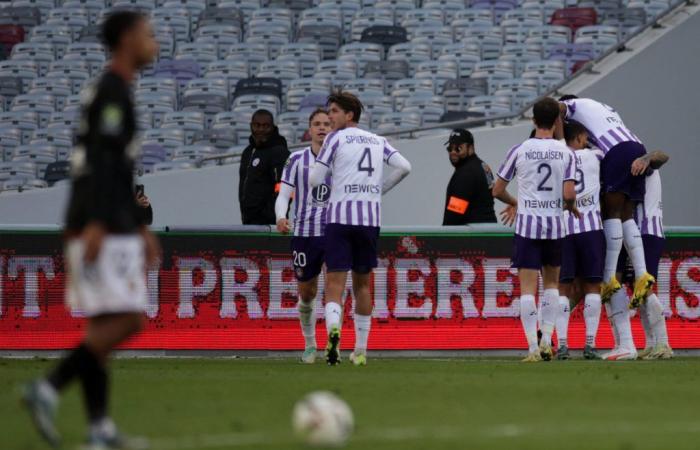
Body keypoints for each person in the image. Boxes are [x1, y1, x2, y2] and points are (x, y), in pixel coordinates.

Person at [22, 11, 160, 449]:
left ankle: (98, 429)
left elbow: (113, 166)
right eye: (147, 34)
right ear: (126, 39)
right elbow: (103, 162)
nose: (153, 41)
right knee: (130, 319)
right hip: (100, 222)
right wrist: (102, 222)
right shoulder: (113, 90)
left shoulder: (110, 90)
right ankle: (47, 388)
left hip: (105, 218)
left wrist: (139, 226)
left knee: (102, 324)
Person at [309, 91, 411, 366]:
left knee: (334, 283)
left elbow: (315, 178)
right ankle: (361, 350)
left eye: (333, 111)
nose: (329, 117)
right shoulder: (378, 140)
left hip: (340, 217)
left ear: (348, 114)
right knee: (363, 285)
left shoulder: (335, 139)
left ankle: (334, 332)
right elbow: (405, 167)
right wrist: (378, 192)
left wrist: (332, 181)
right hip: (369, 220)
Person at [492, 97, 577, 362]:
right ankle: (546, 341)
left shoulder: (520, 149)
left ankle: (531, 349)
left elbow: (497, 190)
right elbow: (569, 193)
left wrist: (516, 202)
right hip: (554, 226)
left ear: (533, 120)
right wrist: (568, 205)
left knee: (527, 289)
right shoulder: (566, 153)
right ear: (556, 122)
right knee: (552, 285)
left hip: (527, 225)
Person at [558, 96, 655, 308]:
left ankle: (609, 277)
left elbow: (556, 108)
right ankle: (642, 274)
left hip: (616, 151)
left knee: (612, 213)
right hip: (638, 147)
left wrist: (553, 133)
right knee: (626, 215)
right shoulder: (604, 108)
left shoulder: (574, 106)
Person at [275, 109, 332, 364]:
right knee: (307, 293)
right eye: (317, 124)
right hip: (304, 235)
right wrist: (280, 216)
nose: (322, 128)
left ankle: (334, 343)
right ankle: (310, 345)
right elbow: (284, 194)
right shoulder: (296, 159)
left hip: (335, 233)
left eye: (327, 124)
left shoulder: (342, 159)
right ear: (309, 129)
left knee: (335, 291)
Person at [605, 150, 672, 361]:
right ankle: (651, 343)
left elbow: (662, 155)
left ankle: (663, 343)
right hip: (634, 233)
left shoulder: (642, 163)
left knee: (645, 287)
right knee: (635, 287)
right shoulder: (632, 167)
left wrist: (646, 158)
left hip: (646, 232)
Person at [554, 122, 604, 361]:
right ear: (582, 137)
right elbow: (602, 144)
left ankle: (562, 345)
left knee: (563, 288)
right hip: (591, 228)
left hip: (564, 228)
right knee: (593, 287)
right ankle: (590, 345)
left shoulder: (560, 157)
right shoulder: (595, 155)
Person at [239, 109, 290, 225]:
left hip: (271, 226)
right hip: (248, 223)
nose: (261, 129)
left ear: (273, 127)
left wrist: (272, 216)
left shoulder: (280, 152)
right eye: (257, 125)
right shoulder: (247, 152)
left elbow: (284, 189)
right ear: (251, 126)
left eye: (265, 126)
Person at [442, 128, 497, 225]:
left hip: (473, 236)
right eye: (450, 148)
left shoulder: (465, 173)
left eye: (458, 148)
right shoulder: (483, 166)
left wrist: (444, 236)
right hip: (490, 230)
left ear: (471, 148)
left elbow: (454, 214)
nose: (453, 152)